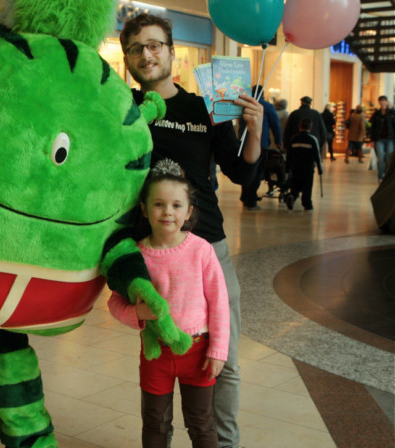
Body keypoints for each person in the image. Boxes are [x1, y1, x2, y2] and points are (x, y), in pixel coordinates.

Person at [120, 13, 262, 448]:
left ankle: (224, 443)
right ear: (127, 58)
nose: (148, 54)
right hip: (152, 252)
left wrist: (254, 131)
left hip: (208, 248)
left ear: (171, 52)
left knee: (225, 358)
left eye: (155, 44)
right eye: (137, 47)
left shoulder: (203, 108)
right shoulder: (120, 112)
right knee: (161, 358)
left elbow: (242, 174)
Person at [108, 159, 229, 448]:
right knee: (155, 421)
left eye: (176, 205)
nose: (168, 212)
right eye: (159, 204)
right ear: (144, 209)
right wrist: (135, 313)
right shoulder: (134, 257)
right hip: (155, 355)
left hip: (198, 351)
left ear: (188, 211)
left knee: (201, 422)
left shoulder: (201, 250)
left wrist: (218, 349)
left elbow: (219, 302)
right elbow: (114, 302)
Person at [239, 85, 282, 210]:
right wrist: (279, 141)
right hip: (260, 144)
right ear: (263, 93)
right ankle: (250, 200)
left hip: (243, 143)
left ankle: (246, 196)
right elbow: (275, 124)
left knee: (245, 170)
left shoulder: (245, 105)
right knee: (257, 173)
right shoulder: (266, 107)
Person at [285, 118, 323, 211]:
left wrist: (287, 168)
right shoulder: (312, 139)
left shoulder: (294, 139)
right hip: (308, 168)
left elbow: (289, 155)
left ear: (299, 127)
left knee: (295, 185)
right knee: (307, 187)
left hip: (295, 167)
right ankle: (307, 204)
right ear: (310, 128)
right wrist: (320, 168)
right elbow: (317, 155)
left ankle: (292, 196)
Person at [369, 95, 395, 182]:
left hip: (390, 139)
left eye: (384, 101)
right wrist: (372, 140)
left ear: (387, 102)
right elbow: (372, 128)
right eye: (381, 101)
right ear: (379, 103)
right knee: (380, 158)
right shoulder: (376, 114)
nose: (383, 102)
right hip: (379, 139)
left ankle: (387, 176)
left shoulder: (391, 113)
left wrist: (390, 110)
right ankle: (380, 176)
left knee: (388, 158)